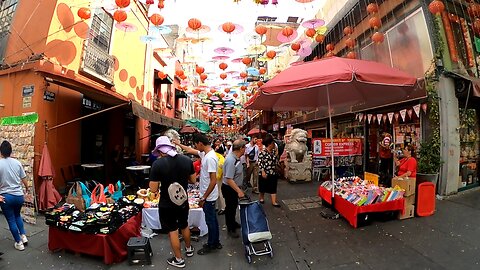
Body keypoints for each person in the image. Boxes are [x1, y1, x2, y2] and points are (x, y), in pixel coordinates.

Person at [148, 136, 196, 268]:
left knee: (173, 230)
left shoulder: (158, 164)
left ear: (160, 151)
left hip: (166, 203)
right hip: (183, 201)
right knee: (184, 225)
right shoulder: (187, 160)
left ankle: (179, 259)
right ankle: (189, 248)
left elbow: (153, 188)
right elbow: (193, 180)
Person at [174, 133, 222, 255]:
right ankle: (215, 241)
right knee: (213, 220)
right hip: (208, 194)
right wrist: (177, 143)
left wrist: (204, 197)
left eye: (196, 144)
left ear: (200, 143)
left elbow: (213, 180)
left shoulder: (210, 158)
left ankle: (212, 244)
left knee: (210, 221)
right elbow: (190, 150)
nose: (195, 146)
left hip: (209, 196)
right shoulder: (204, 153)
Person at [0, 140, 29, 251]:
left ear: (1, 152)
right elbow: (24, 178)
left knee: (11, 219)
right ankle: (23, 236)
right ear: (11, 151)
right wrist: (26, 188)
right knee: (17, 216)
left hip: (6, 197)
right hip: (18, 196)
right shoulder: (17, 163)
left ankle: (18, 243)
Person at [221, 139, 246, 238]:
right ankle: (230, 228)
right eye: (245, 147)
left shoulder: (236, 158)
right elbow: (229, 179)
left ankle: (233, 222)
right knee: (230, 208)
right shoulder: (231, 160)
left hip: (234, 188)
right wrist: (238, 191)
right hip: (229, 188)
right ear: (240, 148)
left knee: (233, 206)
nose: (245, 149)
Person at [257, 135, 281, 207]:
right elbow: (260, 162)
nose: (274, 144)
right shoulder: (262, 153)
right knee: (262, 187)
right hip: (265, 172)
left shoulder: (274, 152)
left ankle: (274, 202)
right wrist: (263, 171)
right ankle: (261, 198)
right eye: (273, 143)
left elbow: (276, 161)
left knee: (273, 187)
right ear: (269, 144)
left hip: (273, 172)